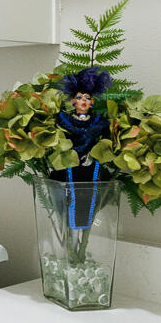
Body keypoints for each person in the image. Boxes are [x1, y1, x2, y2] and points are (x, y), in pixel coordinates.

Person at [55, 67, 111, 228]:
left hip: (90, 164)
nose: (83, 101)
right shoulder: (64, 119)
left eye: (87, 97)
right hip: (68, 163)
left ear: (92, 101)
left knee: (89, 193)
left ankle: (82, 223)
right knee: (68, 195)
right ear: (73, 100)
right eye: (79, 97)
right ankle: (73, 224)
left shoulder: (98, 120)